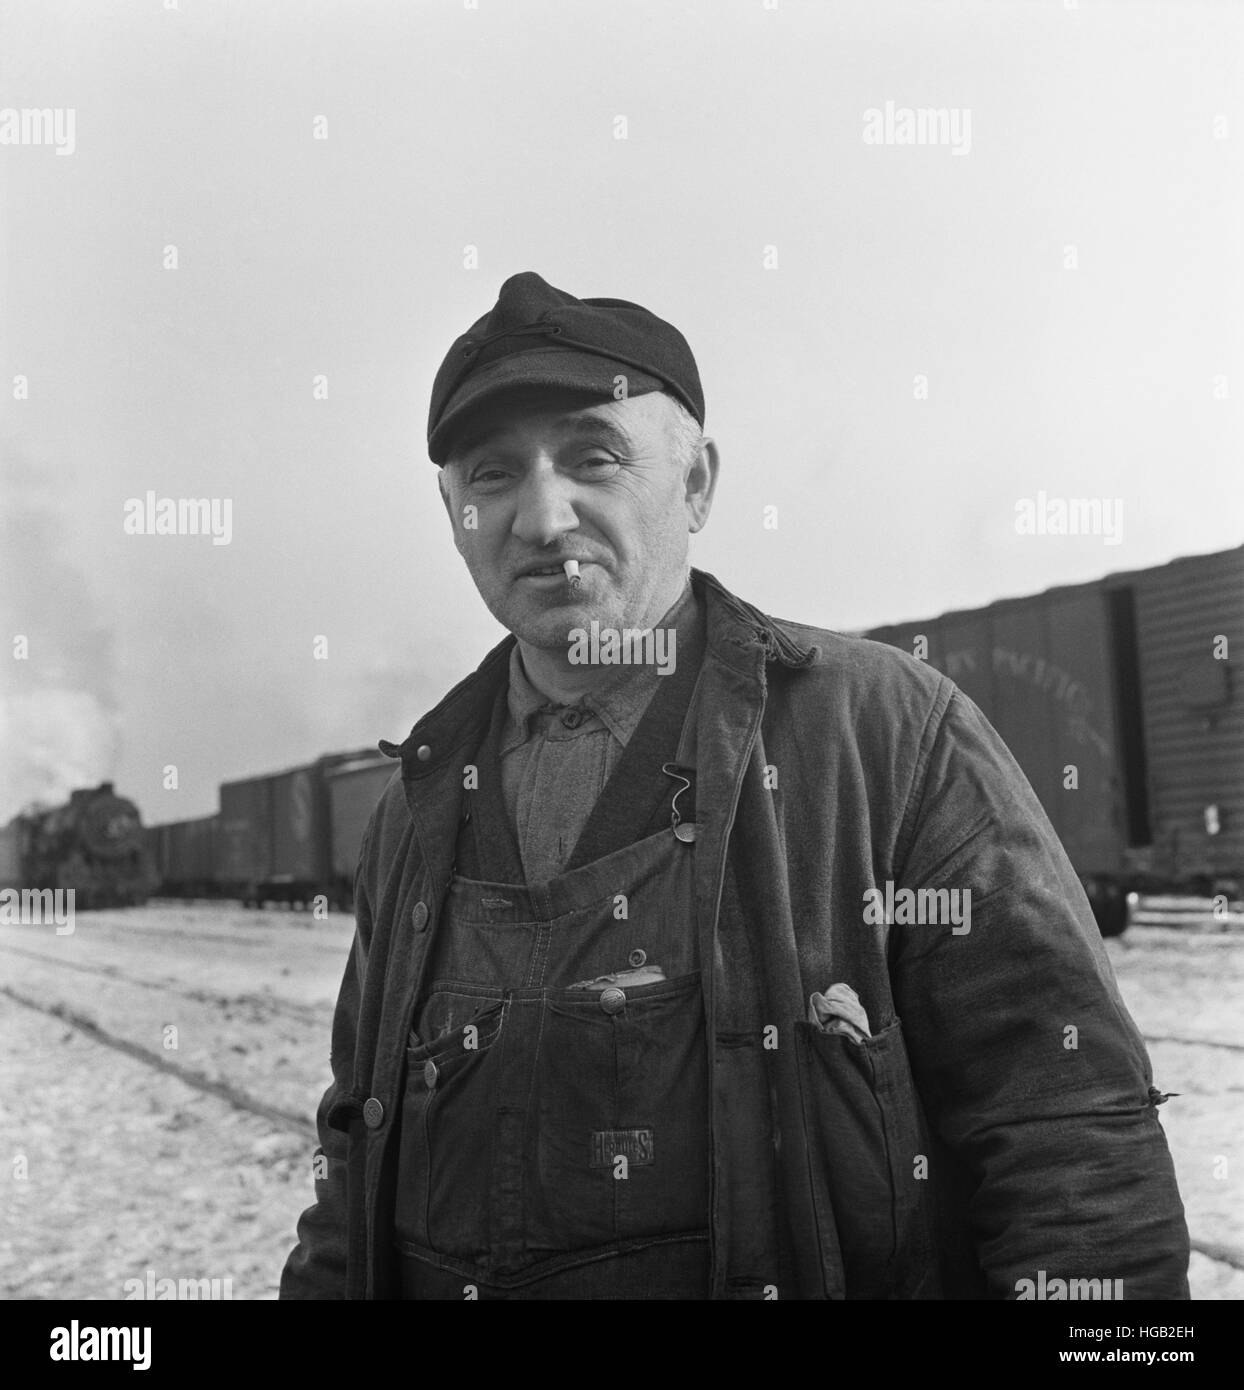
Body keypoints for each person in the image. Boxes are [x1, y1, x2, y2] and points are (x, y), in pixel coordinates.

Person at [280, 271, 1189, 1300]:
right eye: (492, 475)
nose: (541, 515)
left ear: (698, 485)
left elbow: (1065, 1134)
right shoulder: (420, 800)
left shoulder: (881, 735)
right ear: (454, 516)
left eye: (593, 456)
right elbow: (353, 1153)